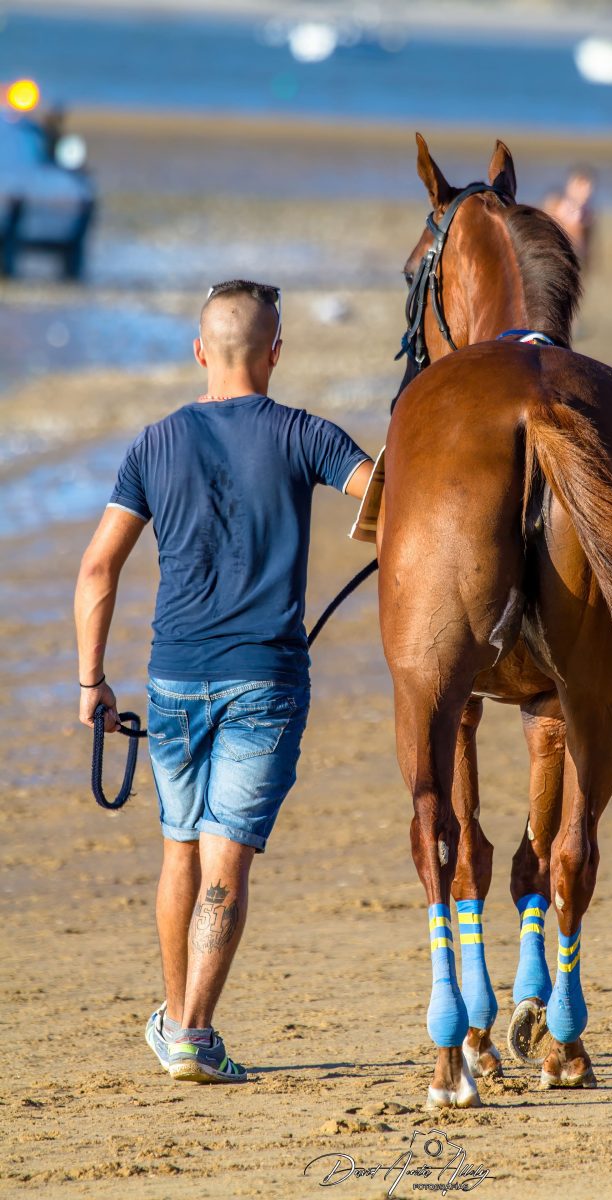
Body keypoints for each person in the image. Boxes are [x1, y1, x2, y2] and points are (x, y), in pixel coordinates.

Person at [74, 280, 372, 1084]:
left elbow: (99, 568)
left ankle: (177, 1021)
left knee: (180, 849)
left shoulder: (155, 443)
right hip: (265, 680)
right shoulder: (306, 433)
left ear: (200, 350)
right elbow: (388, 498)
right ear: (276, 353)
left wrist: (90, 682)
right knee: (225, 864)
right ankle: (193, 1036)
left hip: (173, 677)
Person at [542, 164, 596, 270]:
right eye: (580, 185)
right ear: (570, 186)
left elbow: (587, 246)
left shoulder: (587, 214)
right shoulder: (555, 205)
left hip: (576, 261)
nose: (585, 192)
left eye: (588, 187)